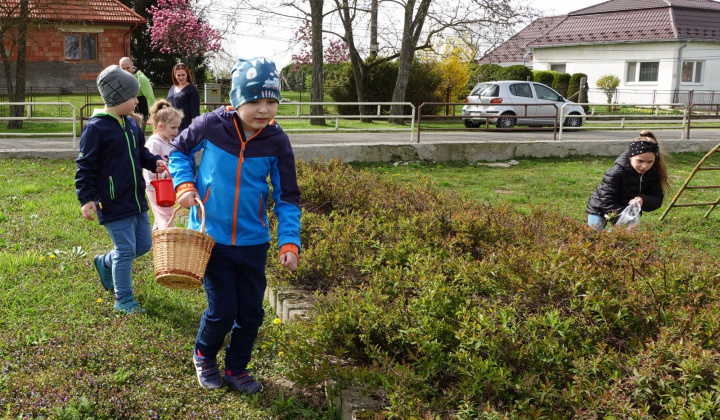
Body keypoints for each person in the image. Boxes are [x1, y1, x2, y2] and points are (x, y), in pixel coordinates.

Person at [167, 56, 300, 395]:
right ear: (238, 99)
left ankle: (237, 368)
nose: (264, 110)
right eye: (255, 100)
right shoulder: (212, 125)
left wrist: (289, 241)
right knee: (223, 310)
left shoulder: (277, 142)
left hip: (255, 243)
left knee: (251, 313)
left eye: (271, 101)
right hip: (211, 239)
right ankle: (204, 355)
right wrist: (184, 185)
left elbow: (287, 197)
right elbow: (179, 152)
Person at [75, 64, 166, 314]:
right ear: (117, 97)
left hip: (135, 198)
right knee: (126, 250)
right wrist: (86, 199)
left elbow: (140, 151)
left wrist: (153, 162)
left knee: (144, 245)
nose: (137, 101)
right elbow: (85, 166)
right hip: (112, 200)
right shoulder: (96, 128)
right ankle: (123, 299)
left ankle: (106, 262)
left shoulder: (132, 125)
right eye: (133, 96)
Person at [586, 130, 669, 231]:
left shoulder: (653, 174)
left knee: (627, 240)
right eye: (640, 161)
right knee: (595, 236)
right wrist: (622, 219)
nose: (644, 166)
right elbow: (606, 199)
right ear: (630, 157)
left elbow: (657, 198)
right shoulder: (616, 172)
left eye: (650, 161)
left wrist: (643, 200)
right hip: (600, 208)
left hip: (627, 211)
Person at [142, 100, 184, 230]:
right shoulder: (155, 143)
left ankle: (156, 242)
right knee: (166, 215)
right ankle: (169, 242)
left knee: (162, 214)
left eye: (177, 127)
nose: (176, 131)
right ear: (160, 126)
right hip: (156, 186)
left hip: (166, 185)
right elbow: (150, 168)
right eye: (173, 127)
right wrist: (165, 172)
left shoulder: (168, 141)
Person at [119, 57, 155, 132]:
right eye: (123, 69)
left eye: (128, 68)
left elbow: (150, 97)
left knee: (137, 136)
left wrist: (152, 114)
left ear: (132, 65)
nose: (126, 71)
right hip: (126, 112)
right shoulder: (121, 78)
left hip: (140, 113)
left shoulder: (141, 79)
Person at [166, 63, 200, 133]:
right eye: (178, 75)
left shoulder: (192, 89)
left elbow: (195, 113)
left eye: (183, 75)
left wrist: (192, 131)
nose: (181, 78)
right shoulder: (172, 88)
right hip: (171, 127)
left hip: (185, 129)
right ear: (174, 76)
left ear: (187, 74)